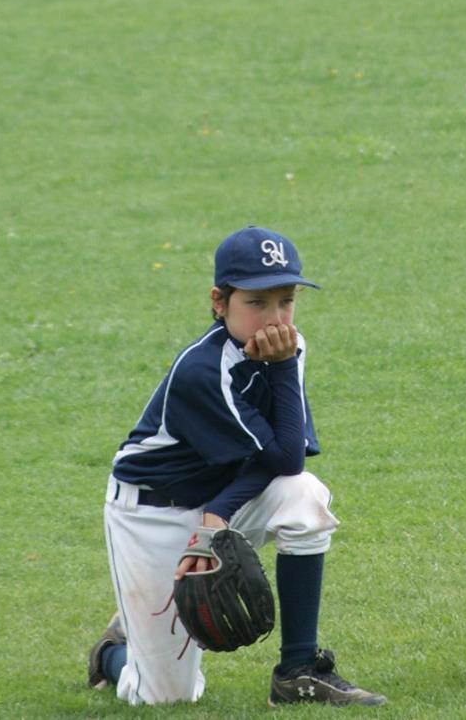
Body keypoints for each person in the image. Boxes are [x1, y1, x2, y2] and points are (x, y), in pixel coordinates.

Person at [86, 226, 385, 706]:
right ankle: (112, 652)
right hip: (151, 516)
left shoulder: (290, 348)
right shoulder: (203, 371)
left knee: (304, 495)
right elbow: (279, 453)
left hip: (221, 500)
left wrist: (218, 515)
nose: (275, 318)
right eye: (257, 302)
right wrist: (214, 516)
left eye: (286, 300)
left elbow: (284, 461)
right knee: (166, 698)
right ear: (219, 302)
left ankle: (298, 671)